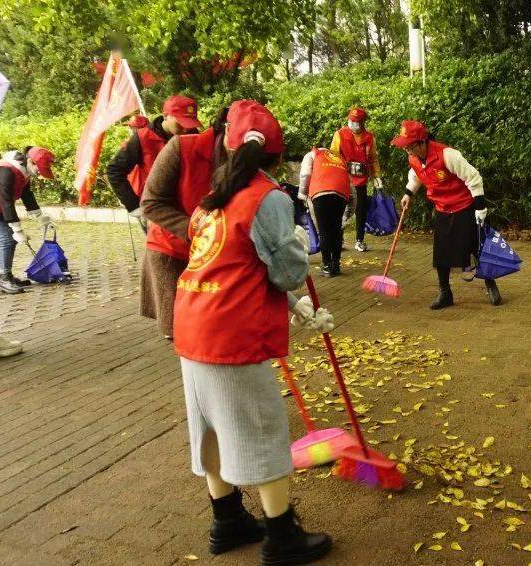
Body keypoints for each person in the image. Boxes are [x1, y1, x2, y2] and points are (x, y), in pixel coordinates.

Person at [173, 100, 335, 564]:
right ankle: (282, 537)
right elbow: (285, 270)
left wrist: (297, 308)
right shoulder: (270, 198)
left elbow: (237, 267)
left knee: (211, 429)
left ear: (226, 147)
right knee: (261, 428)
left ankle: (227, 521)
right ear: (278, 157)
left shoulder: (213, 199)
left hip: (194, 322)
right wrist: (300, 249)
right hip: (231, 332)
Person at [391, 120, 501, 309]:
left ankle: (490, 283)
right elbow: (416, 175)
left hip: (464, 206)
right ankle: (445, 293)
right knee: (441, 254)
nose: (406, 150)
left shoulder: (447, 155)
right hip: (442, 208)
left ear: (421, 142)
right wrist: (408, 193)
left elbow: (473, 177)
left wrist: (480, 208)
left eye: (409, 146)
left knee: (477, 247)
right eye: (405, 146)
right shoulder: (414, 158)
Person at [140, 105, 228, 338]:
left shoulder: (238, 158)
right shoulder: (181, 147)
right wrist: (195, 228)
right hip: (172, 248)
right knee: (179, 332)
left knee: (208, 330)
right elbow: (150, 203)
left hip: (208, 253)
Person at [106, 95, 202, 232]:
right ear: (165, 116)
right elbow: (114, 170)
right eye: (181, 122)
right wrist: (136, 208)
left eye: (190, 123)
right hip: (155, 210)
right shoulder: (142, 138)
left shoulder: (194, 135)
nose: (186, 129)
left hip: (188, 209)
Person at [0, 147, 56, 294]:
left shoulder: (24, 171)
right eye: (40, 168)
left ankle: (7, 276)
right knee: (6, 239)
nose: (40, 172)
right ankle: (3, 280)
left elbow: (26, 194)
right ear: (30, 161)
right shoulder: (6, 170)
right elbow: (5, 199)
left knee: (10, 239)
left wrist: (40, 217)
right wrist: (17, 229)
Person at [330, 106, 382, 252]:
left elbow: (373, 158)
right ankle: (338, 240)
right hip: (343, 178)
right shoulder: (339, 134)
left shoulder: (369, 138)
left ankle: (359, 240)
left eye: (356, 122)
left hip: (361, 180)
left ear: (363, 122)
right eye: (351, 121)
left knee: (361, 210)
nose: (353, 124)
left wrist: (377, 176)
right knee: (339, 209)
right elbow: (333, 155)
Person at [298, 145, 353, 277]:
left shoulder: (312, 154)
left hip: (320, 192)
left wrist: (302, 193)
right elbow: (351, 186)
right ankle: (336, 265)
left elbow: (305, 174)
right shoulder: (339, 159)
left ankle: (327, 266)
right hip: (341, 194)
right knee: (336, 229)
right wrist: (350, 210)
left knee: (323, 231)